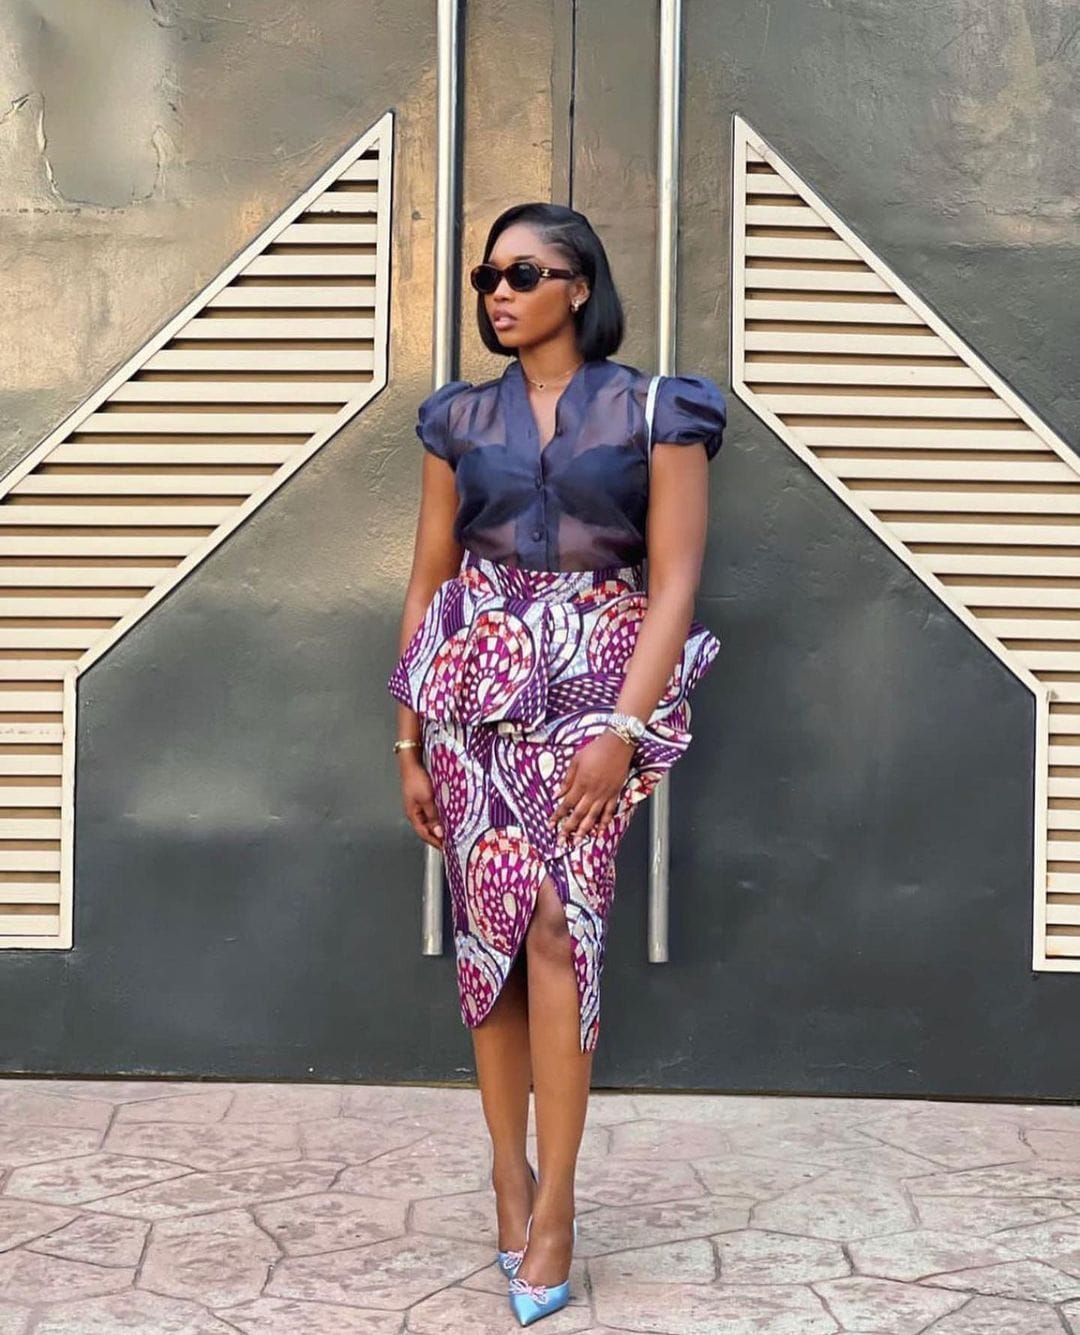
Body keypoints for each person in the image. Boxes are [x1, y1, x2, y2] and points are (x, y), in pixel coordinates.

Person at [387, 201, 726, 1326]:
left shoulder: (657, 411)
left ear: (580, 286)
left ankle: (561, 1205)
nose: (500, 292)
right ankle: (507, 1175)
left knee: (560, 930)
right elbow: (429, 581)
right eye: (489, 275)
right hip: (471, 699)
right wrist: (408, 739)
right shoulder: (456, 417)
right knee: (489, 934)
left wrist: (622, 732)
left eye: (524, 273)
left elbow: (674, 583)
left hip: (596, 695)